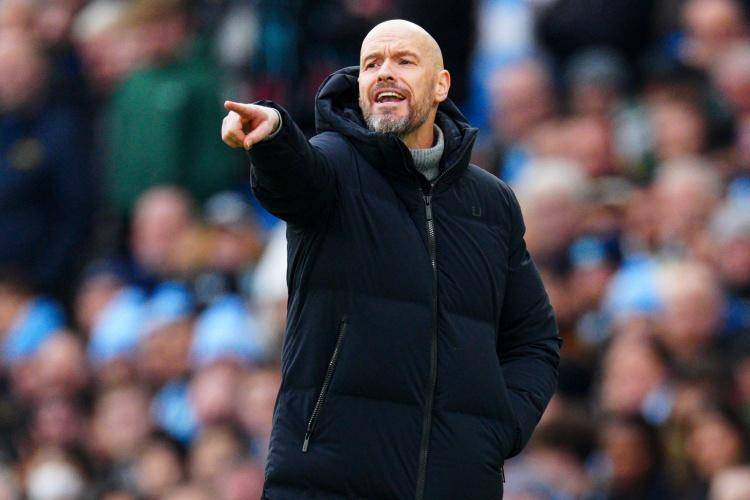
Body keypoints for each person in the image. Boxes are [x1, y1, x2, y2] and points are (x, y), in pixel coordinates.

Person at [221, 19, 561, 499]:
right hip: (326, 483)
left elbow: (534, 339)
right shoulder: (333, 163)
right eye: (371, 64)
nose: (384, 72)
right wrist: (274, 135)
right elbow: (293, 179)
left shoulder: (491, 202)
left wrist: (495, 428)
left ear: (441, 85)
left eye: (404, 61)